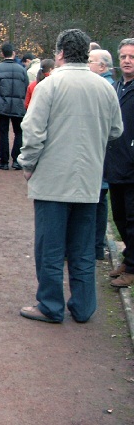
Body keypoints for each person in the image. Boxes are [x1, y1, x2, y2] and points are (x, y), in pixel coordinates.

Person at [17, 29, 122, 323]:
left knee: (50, 249)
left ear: (61, 52)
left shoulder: (49, 85)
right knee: (83, 248)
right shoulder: (104, 87)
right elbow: (116, 130)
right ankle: (84, 306)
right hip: (88, 179)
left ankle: (51, 305)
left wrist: (27, 164)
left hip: (52, 181)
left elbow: (33, 131)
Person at [105, 38, 134, 288]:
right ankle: (129, 257)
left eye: (132, 57)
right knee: (120, 217)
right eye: (123, 56)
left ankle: (133, 267)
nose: (127, 61)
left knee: (133, 219)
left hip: (132, 165)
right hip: (115, 163)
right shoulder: (115, 87)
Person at [89, 49, 116, 260]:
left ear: (102, 66)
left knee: (97, 201)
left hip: (102, 155)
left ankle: (95, 247)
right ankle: (95, 246)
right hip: (103, 154)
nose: (87, 64)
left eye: (90, 61)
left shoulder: (104, 87)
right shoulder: (107, 85)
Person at [0, 42, 28, 170]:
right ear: (14, 53)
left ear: (2, 54)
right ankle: (16, 160)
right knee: (19, 132)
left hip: (2, 105)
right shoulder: (22, 70)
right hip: (18, 105)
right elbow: (26, 87)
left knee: (3, 133)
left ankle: (4, 162)